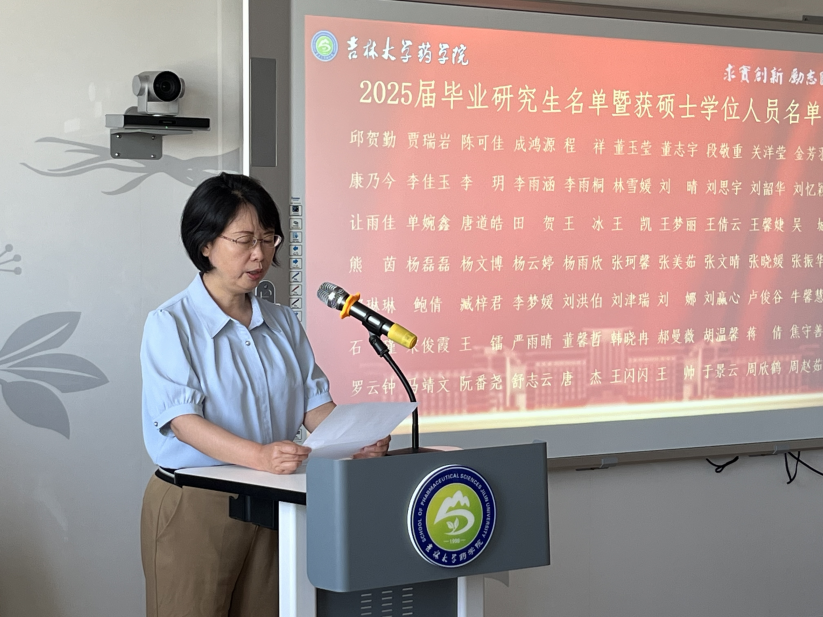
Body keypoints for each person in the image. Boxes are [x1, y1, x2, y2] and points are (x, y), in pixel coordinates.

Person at [140, 172, 389, 617]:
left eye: (268, 238)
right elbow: (183, 421)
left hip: (275, 498)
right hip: (198, 501)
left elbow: (314, 404)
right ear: (205, 244)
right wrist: (258, 456)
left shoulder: (284, 322)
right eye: (244, 240)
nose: (259, 254)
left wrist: (356, 440)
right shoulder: (170, 323)